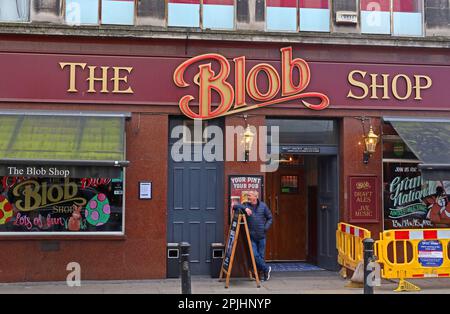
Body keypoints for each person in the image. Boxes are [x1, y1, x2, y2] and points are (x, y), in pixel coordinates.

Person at [242, 190, 273, 281]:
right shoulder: (246, 205)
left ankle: (263, 275)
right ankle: (267, 269)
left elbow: (270, 218)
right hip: (251, 236)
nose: (248, 197)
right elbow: (235, 206)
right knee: (255, 255)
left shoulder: (263, 206)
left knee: (261, 256)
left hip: (262, 236)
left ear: (255, 197)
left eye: (250, 195)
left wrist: (265, 228)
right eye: (247, 195)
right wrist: (245, 209)